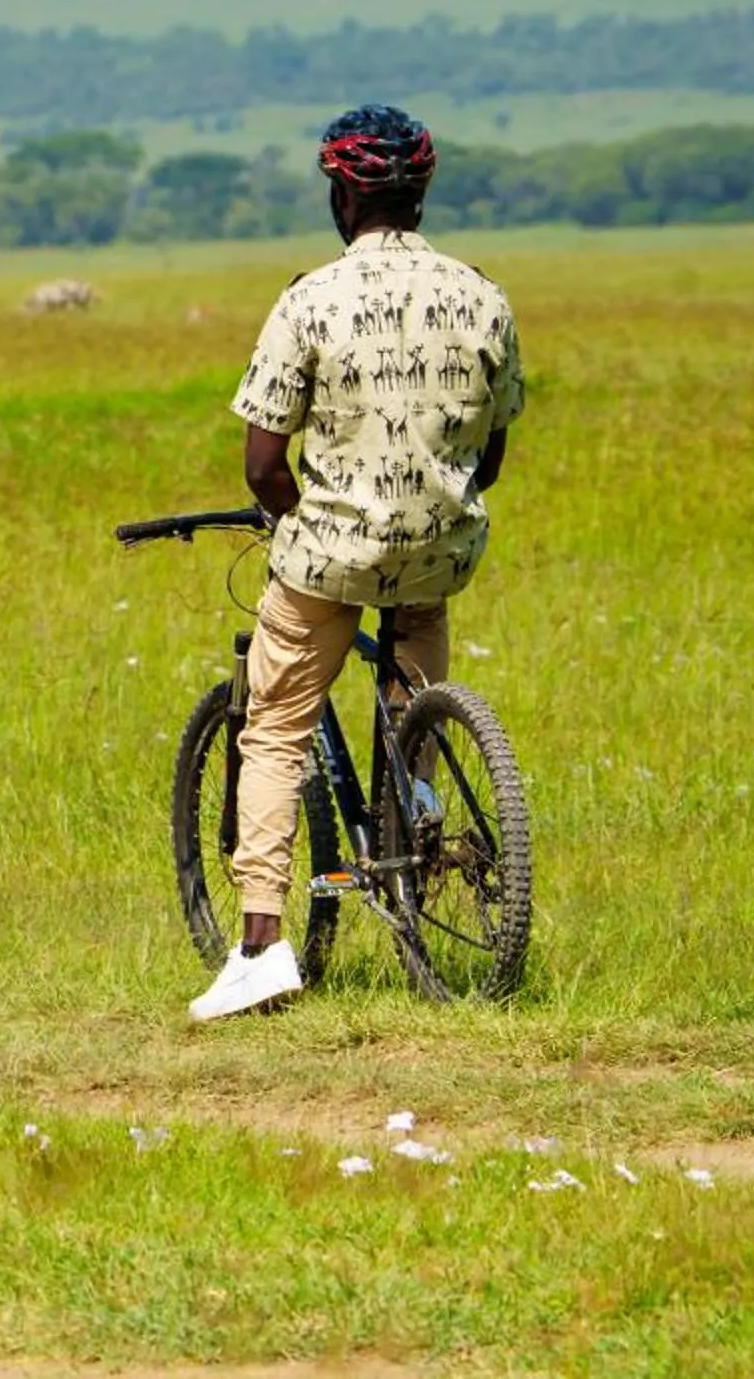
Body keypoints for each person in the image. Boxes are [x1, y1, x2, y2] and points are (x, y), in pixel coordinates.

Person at [192, 104, 527, 1022]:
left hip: (329, 554)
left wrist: (305, 522)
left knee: (272, 725)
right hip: (443, 549)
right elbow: (489, 450)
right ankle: (415, 803)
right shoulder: (482, 294)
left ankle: (260, 944)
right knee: (412, 692)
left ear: (343, 195)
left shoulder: (309, 300)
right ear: (421, 194)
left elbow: (263, 465)